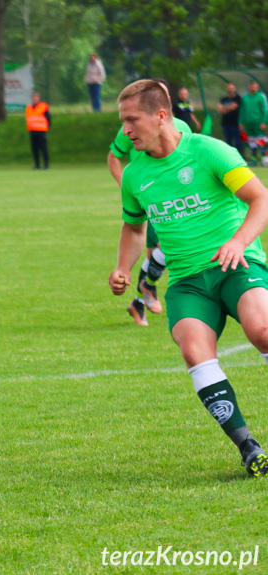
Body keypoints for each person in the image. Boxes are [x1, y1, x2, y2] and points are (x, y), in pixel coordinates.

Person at [109, 79, 268, 477]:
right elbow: (133, 228)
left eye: (132, 121)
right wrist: (123, 269)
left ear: (161, 116)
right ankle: (248, 446)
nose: (125, 131)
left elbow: (260, 199)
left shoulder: (209, 150)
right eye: (122, 122)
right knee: (194, 352)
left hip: (237, 265)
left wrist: (237, 242)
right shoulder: (135, 176)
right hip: (187, 282)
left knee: (262, 329)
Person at [107, 79, 192, 326]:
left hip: (177, 199)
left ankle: (140, 300)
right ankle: (146, 292)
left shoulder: (185, 129)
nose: (127, 129)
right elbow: (114, 157)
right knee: (161, 249)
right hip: (150, 197)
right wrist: (128, 186)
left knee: (163, 251)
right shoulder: (131, 126)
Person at [239, 81, 268, 165]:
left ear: (257, 87)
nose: (253, 88)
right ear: (249, 87)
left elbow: (265, 110)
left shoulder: (261, 97)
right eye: (251, 87)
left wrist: (264, 122)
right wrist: (241, 122)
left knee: (261, 140)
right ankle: (253, 159)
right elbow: (242, 111)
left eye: (254, 87)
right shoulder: (245, 98)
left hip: (258, 123)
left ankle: (264, 158)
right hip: (248, 124)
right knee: (251, 141)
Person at [25, 92, 50, 170]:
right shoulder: (28, 107)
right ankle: (37, 165)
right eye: (34, 98)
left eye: (37, 98)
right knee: (34, 149)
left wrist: (47, 126)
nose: (35, 100)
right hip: (32, 130)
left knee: (43, 148)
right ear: (32, 98)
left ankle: (46, 165)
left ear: (39, 99)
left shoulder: (43, 106)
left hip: (41, 130)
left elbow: (48, 117)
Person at [217, 83, 242, 154]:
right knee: (228, 141)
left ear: (234, 89)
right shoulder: (223, 99)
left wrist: (224, 108)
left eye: (232, 88)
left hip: (235, 123)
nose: (230, 90)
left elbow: (233, 107)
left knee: (237, 141)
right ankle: (230, 156)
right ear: (227, 89)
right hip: (225, 123)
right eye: (229, 88)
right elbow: (219, 110)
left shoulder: (237, 98)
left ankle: (240, 156)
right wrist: (228, 108)